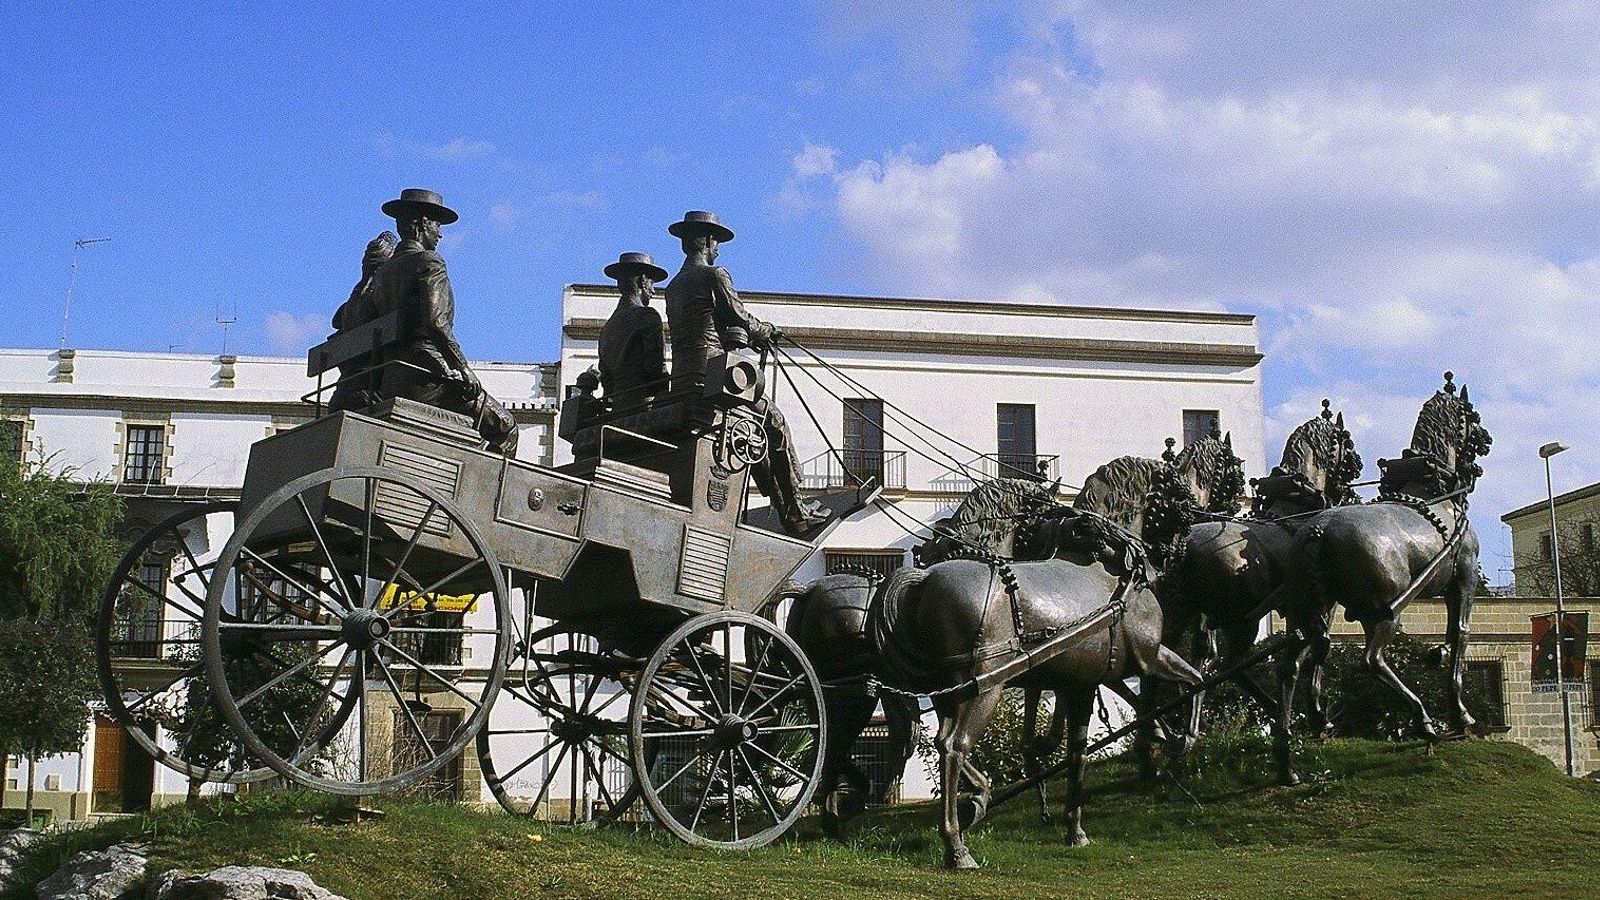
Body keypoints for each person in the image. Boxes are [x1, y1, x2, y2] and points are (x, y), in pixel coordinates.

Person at [663, 210, 827, 533]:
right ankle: (796, 510)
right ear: (707, 241)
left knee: (755, 428)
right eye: (717, 243)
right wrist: (765, 330)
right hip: (712, 380)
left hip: (682, 379)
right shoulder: (715, 275)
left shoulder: (673, 287)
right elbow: (738, 317)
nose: (719, 250)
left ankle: (783, 504)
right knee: (774, 421)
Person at [366, 188, 519, 455]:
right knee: (506, 428)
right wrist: (463, 368)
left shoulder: (382, 274)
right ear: (422, 224)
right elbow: (435, 322)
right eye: (437, 225)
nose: (440, 233)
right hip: (428, 375)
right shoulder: (429, 260)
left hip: (392, 378)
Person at [327, 230, 397, 413]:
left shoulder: (350, 305)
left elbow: (335, 325)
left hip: (342, 393)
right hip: (370, 392)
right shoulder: (383, 298)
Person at [597, 251, 669, 405]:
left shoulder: (607, 328)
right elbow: (655, 367)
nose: (653, 290)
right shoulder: (647, 316)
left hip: (618, 407)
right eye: (651, 283)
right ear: (642, 280)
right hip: (643, 404)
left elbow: (606, 378)